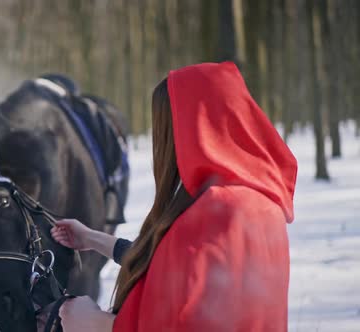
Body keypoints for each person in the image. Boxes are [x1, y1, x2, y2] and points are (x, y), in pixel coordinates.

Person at [50, 62, 298, 332]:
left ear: (192, 127)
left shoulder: (218, 210)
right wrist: (92, 238)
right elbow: (176, 273)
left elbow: (185, 323)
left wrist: (94, 322)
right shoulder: (259, 201)